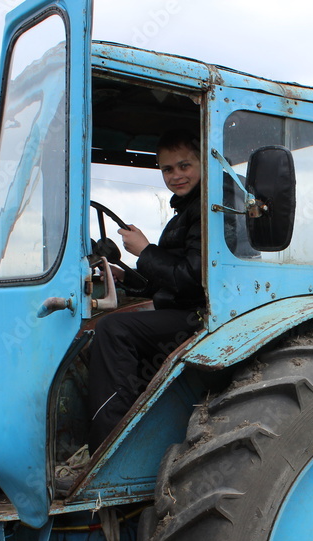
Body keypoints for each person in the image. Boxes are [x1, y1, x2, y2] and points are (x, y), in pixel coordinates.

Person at [86, 129, 205, 448]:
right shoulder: (183, 213)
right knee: (96, 328)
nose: (176, 175)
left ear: (203, 162)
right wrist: (122, 276)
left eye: (184, 166)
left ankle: (110, 446)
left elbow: (191, 278)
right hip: (179, 307)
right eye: (167, 169)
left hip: (200, 316)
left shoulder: (208, 211)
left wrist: (145, 250)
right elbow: (165, 280)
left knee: (114, 329)